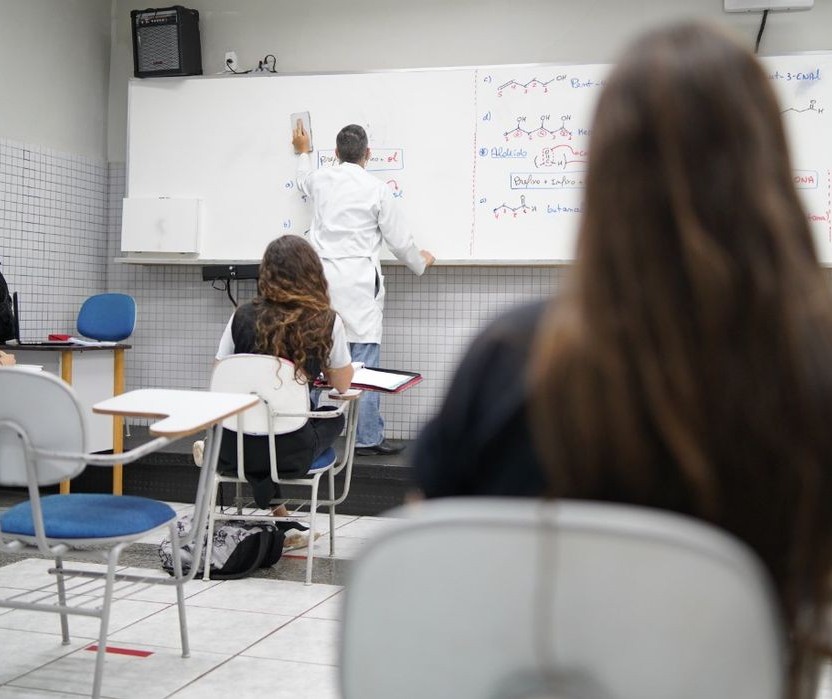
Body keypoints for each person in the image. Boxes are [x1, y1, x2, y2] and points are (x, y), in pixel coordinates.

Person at [413, 21, 832, 696]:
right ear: (769, 169)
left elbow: (428, 562)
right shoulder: (811, 365)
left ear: (606, 174)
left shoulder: (511, 357)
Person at [292, 122, 435, 456]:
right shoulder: (377, 189)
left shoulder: (321, 178)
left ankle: (302, 430)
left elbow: (302, 181)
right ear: (368, 154)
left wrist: (302, 152)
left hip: (322, 281)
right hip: (359, 283)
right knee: (364, 363)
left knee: (315, 354)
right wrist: (420, 262)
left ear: (336, 153)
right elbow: (400, 242)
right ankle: (367, 437)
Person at [213, 235, 354, 514]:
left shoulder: (240, 316)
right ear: (313, 273)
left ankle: (281, 517)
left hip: (233, 447)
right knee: (334, 417)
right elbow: (342, 384)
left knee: (262, 424)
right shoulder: (326, 320)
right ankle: (283, 521)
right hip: (290, 453)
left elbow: (220, 373)